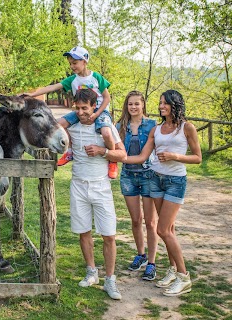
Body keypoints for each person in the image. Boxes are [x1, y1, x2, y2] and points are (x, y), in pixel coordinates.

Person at [123, 89, 202, 296]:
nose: (161, 106)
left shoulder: (187, 128)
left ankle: (184, 277)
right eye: (160, 103)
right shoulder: (157, 129)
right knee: (170, 230)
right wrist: (109, 155)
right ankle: (173, 270)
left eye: (165, 103)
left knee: (163, 230)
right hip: (155, 180)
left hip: (175, 181)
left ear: (175, 104)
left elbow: (197, 157)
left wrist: (175, 155)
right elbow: (141, 157)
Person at [63, 88, 127, 300]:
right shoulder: (71, 127)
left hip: (101, 186)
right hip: (78, 185)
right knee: (83, 231)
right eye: (78, 108)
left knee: (109, 234)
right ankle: (92, 272)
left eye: (85, 108)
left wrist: (103, 152)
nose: (81, 112)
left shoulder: (105, 127)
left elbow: (123, 155)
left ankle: (110, 280)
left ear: (94, 107)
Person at [27, 46, 118, 179]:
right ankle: (70, 152)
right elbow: (53, 87)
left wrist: (97, 114)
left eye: (74, 63)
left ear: (84, 61)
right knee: (58, 125)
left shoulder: (96, 77)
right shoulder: (73, 80)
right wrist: (32, 94)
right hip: (80, 110)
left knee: (106, 132)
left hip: (100, 111)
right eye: (70, 63)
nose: (72, 66)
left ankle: (112, 159)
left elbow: (107, 97)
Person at [116, 91, 159, 281]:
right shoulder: (120, 126)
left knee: (150, 222)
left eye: (137, 104)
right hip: (128, 176)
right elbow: (113, 146)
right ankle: (140, 254)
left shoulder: (151, 125)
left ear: (143, 105)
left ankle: (151, 263)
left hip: (148, 175)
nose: (133, 107)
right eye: (130, 104)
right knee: (135, 220)